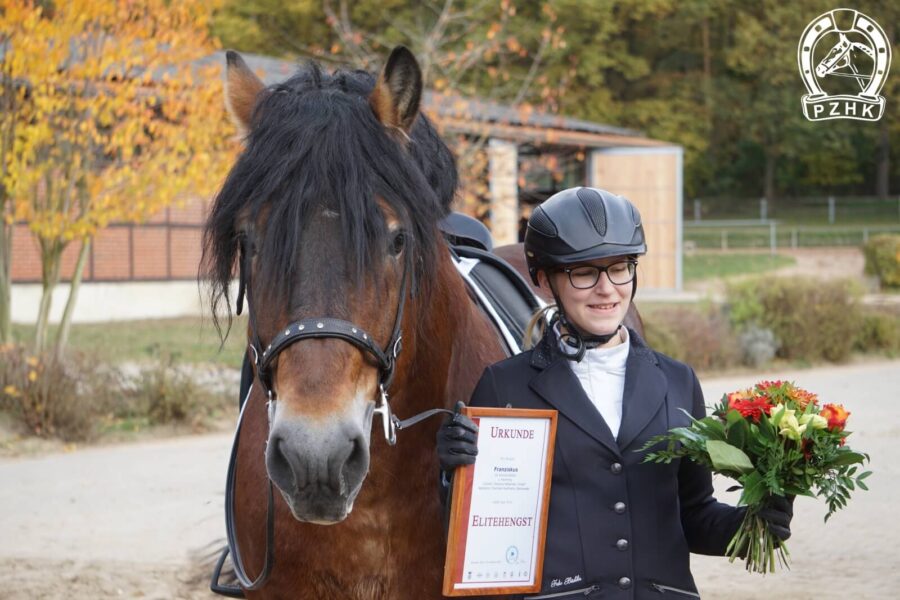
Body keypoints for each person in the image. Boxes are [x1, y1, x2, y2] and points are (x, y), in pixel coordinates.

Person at [436, 187, 792, 599]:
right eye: (585, 272)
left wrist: (754, 525)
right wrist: (451, 475)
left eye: (620, 268)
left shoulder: (678, 380)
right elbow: (481, 535)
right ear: (544, 280)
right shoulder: (504, 386)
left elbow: (692, 515)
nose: (607, 289)